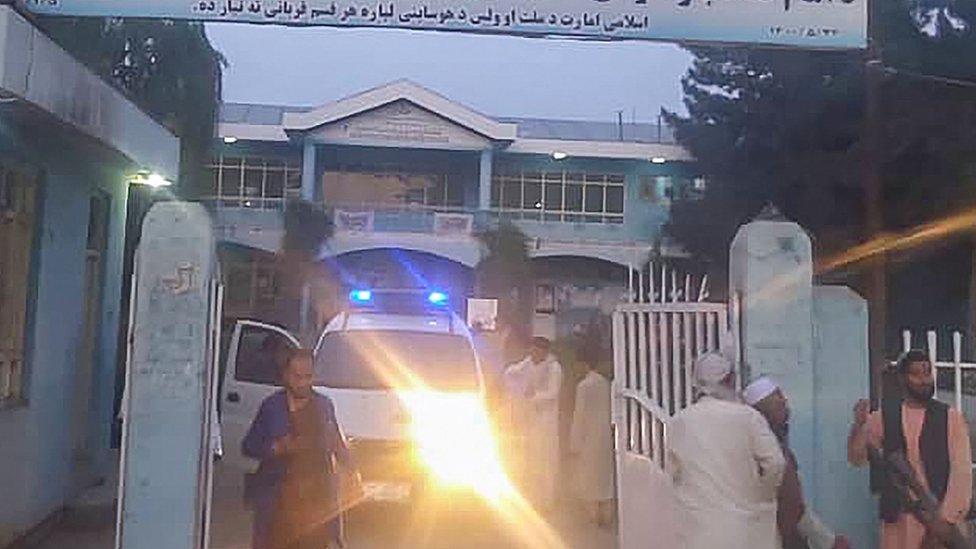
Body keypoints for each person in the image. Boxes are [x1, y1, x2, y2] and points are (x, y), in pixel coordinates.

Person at [848, 350, 972, 549]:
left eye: (927, 372)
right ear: (902, 379)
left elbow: (961, 475)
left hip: (942, 524)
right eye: (916, 374)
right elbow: (857, 458)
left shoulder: (951, 418)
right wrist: (859, 426)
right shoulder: (885, 418)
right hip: (899, 523)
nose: (924, 380)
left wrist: (941, 525)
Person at [242, 349, 361, 549]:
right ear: (286, 376)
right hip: (277, 509)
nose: (303, 383)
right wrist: (276, 448)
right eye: (298, 377)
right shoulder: (271, 407)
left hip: (316, 508)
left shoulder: (324, 406)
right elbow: (249, 446)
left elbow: (338, 447)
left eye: (308, 377)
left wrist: (352, 474)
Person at [666, 352, 786, 549]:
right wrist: (761, 495)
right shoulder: (748, 417)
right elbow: (775, 463)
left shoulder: (680, 421)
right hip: (747, 532)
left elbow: (673, 473)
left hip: (699, 532)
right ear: (730, 379)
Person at [743, 376, 851, 549]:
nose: (786, 405)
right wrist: (828, 541)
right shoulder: (770, 453)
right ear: (764, 411)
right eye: (780, 403)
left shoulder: (769, 445)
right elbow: (793, 507)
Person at [504, 336, 563, 511]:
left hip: (546, 422)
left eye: (537, 351)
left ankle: (546, 502)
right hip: (530, 421)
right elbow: (510, 373)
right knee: (530, 462)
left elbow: (553, 393)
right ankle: (531, 500)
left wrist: (533, 396)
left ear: (545, 351)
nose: (533, 353)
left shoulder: (554, 368)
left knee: (545, 462)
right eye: (532, 350)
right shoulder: (530, 363)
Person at [569, 359, 614, 528]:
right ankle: (607, 513)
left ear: (584, 364)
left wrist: (574, 442)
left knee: (589, 476)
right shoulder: (606, 385)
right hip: (605, 435)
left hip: (588, 436)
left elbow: (579, 415)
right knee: (605, 475)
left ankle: (593, 515)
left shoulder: (584, 386)